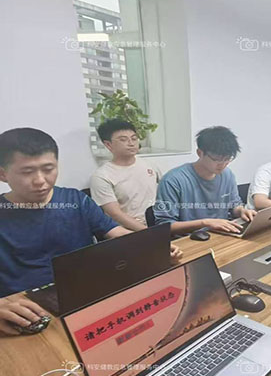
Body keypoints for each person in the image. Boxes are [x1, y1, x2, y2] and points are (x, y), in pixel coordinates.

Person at [0, 128, 131, 332]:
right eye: (27, 172)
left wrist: (151, 246)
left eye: (48, 169)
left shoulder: (76, 200)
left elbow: (115, 232)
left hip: (84, 296)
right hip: (26, 311)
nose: (40, 180)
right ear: (3, 174)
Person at [154, 126, 256, 235]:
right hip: (189, 239)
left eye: (227, 159)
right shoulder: (173, 180)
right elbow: (165, 226)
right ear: (200, 153)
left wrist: (242, 211)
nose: (223, 164)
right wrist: (205, 223)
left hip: (222, 235)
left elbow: (234, 205)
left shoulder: (227, 174)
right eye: (217, 159)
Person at [90, 119, 161, 230]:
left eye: (134, 138)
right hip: (129, 231)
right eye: (123, 140)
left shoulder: (149, 165)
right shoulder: (102, 176)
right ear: (108, 145)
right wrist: (149, 232)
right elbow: (115, 214)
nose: (131, 143)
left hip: (158, 224)